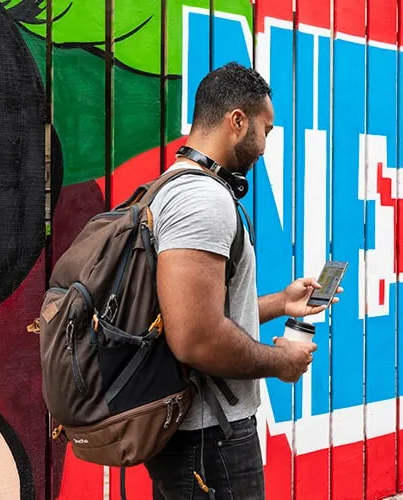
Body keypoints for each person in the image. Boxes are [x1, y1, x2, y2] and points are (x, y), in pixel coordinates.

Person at [143, 62, 339, 499]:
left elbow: (196, 311)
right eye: (265, 130)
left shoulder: (171, 185)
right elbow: (196, 338)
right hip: (209, 439)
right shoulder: (203, 200)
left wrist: (280, 304)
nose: (265, 145)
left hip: (196, 435)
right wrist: (280, 363)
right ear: (237, 121)